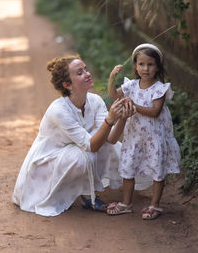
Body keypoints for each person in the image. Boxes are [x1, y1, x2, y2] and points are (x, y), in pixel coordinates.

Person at [12, 54, 134, 217]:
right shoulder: (59, 110)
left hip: (72, 152)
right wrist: (110, 119)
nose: (87, 74)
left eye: (86, 69)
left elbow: (111, 139)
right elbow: (92, 146)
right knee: (85, 155)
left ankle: (84, 193)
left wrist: (123, 118)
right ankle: (71, 195)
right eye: (80, 73)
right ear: (67, 85)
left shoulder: (95, 100)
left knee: (107, 145)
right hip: (47, 162)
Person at [107, 43, 181, 219]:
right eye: (141, 64)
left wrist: (134, 105)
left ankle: (155, 205)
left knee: (157, 170)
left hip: (154, 138)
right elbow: (112, 95)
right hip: (134, 137)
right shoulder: (131, 85)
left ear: (157, 67)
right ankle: (126, 203)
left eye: (150, 64)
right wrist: (112, 78)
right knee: (128, 168)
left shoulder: (159, 89)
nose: (145, 68)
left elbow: (155, 112)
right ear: (135, 65)